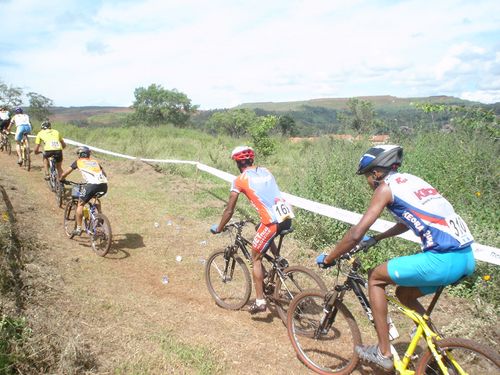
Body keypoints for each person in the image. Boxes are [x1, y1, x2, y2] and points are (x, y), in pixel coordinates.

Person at [316, 144, 475, 371]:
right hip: (466, 258)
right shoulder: (411, 181)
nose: (368, 184)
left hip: (442, 258)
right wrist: (379, 238)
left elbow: (355, 233)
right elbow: (407, 221)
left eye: (367, 177)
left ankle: (383, 353)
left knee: (375, 277)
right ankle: (439, 350)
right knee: (404, 294)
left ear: (377, 173)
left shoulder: (386, 188)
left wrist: (330, 258)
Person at [210, 146, 294, 314]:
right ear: (251, 160)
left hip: (271, 223)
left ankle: (260, 301)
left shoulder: (240, 179)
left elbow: (229, 210)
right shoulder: (266, 171)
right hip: (286, 218)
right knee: (259, 229)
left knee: (255, 258)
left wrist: (219, 228)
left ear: (237, 162)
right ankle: (278, 259)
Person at [60, 146, 108, 236]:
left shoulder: (78, 162)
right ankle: (100, 216)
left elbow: (66, 172)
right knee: (95, 197)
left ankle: (78, 228)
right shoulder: (95, 162)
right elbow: (104, 173)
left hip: (91, 185)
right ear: (88, 154)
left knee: (80, 204)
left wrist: (61, 179)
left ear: (80, 154)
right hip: (104, 185)